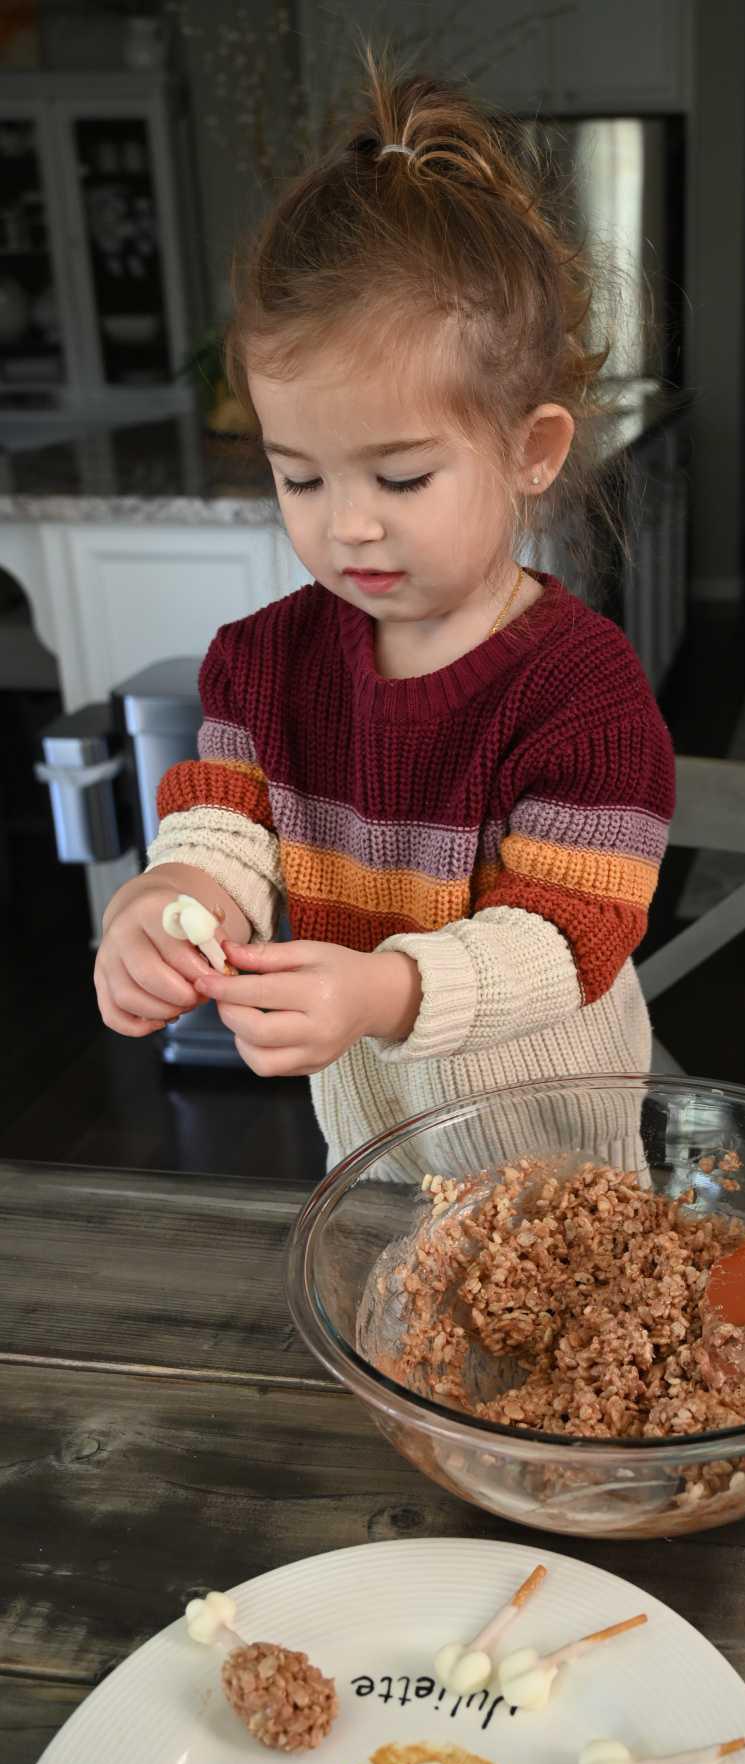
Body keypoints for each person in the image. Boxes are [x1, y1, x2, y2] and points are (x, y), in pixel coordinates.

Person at [93, 63, 675, 1175]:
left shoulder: (581, 692)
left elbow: (566, 938)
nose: (346, 527)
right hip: (373, 1157)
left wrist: (390, 987)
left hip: (557, 1167)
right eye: (300, 480)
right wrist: (172, 898)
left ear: (532, 451)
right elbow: (226, 830)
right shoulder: (261, 664)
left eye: (400, 480)